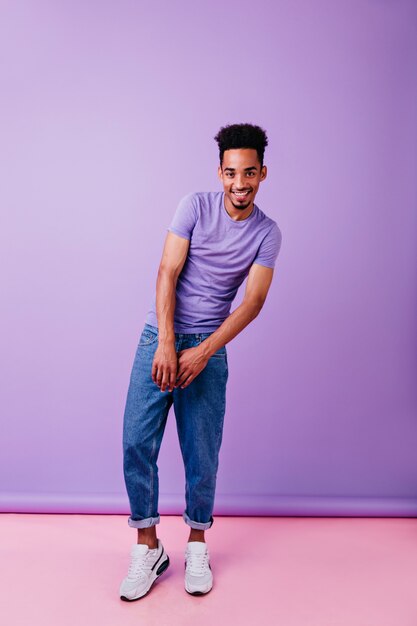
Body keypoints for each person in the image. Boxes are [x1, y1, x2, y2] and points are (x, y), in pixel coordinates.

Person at [120, 123, 283, 601]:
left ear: (262, 174)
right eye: (231, 173)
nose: (240, 183)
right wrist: (167, 343)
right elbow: (167, 270)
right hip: (161, 335)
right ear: (220, 173)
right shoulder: (193, 205)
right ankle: (148, 547)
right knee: (136, 441)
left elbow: (252, 302)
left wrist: (204, 350)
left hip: (209, 349)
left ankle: (196, 544)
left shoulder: (267, 234)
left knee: (201, 454)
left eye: (249, 173)